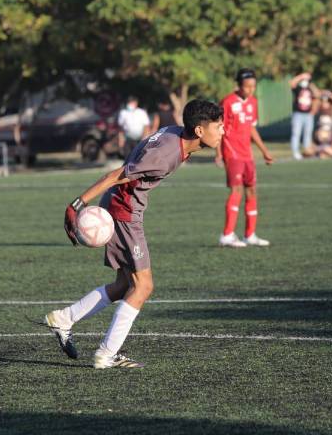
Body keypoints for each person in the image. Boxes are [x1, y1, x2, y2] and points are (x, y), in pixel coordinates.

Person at [48, 99, 224, 369]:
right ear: (199, 131)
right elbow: (117, 175)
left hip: (123, 207)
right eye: (218, 126)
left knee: (122, 286)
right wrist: (77, 204)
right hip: (124, 212)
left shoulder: (175, 133)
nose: (223, 131)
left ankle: (64, 318)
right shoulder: (164, 155)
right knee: (143, 286)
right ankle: (106, 354)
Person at [215, 68, 273, 248]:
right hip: (232, 153)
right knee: (236, 191)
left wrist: (264, 151)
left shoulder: (253, 102)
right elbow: (217, 127)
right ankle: (227, 234)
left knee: (252, 191)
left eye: (253, 86)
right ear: (239, 86)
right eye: (247, 86)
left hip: (247, 154)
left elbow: (251, 128)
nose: (250, 90)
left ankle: (250, 234)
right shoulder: (228, 102)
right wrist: (217, 152)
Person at [289, 72, 317, 160]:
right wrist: (301, 76)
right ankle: (295, 152)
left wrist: (311, 82)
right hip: (298, 114)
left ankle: (307, 152)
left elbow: (317, 94)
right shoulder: (298, 88)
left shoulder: (310, 88)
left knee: (308, 134)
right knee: (296, 133)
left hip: (308, 115)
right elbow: (291, 83)